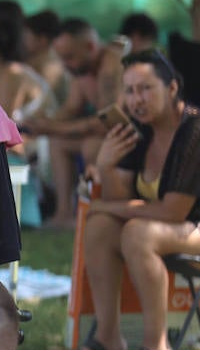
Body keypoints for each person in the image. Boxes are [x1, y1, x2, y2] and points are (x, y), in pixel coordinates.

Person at [62, 51, 200, 350]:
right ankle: (108, 337)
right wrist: (107, 165)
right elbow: (124, 199)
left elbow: (174, 212)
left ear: (172, 88)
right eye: (129, 91)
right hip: (164, 226)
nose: (136, 100)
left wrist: (101, 203)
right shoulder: (139, 130)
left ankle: (156, 345)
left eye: (145, 89)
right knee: (102, 225)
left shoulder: (198, 129)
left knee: (135, 230)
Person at [24, 17, 125, 228]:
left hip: (123, 137)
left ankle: (97, 213)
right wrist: (40, 123)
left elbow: (108, 121)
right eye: (62, 58)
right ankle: (64, 214)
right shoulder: (82, 70)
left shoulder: (111, 66)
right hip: (104, 134)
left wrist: (52, 126)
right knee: (57, 142)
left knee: (91, 146)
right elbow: (72, 108)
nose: (66, 64)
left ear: (90, 47)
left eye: (69, 57)